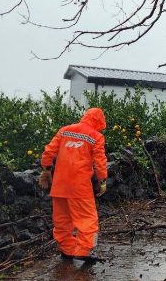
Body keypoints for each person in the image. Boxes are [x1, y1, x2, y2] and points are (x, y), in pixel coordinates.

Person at [39, 107, 108, 263]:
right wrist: (102, 181)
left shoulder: (64, 131)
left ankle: (67, 250)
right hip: (80, 187)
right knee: (87, 219)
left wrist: (47, 169)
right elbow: (100, 160)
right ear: (99, 121)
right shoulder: (96, 136)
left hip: (59, 185)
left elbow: (49, 152)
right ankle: (83, 251)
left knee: (62, 220)